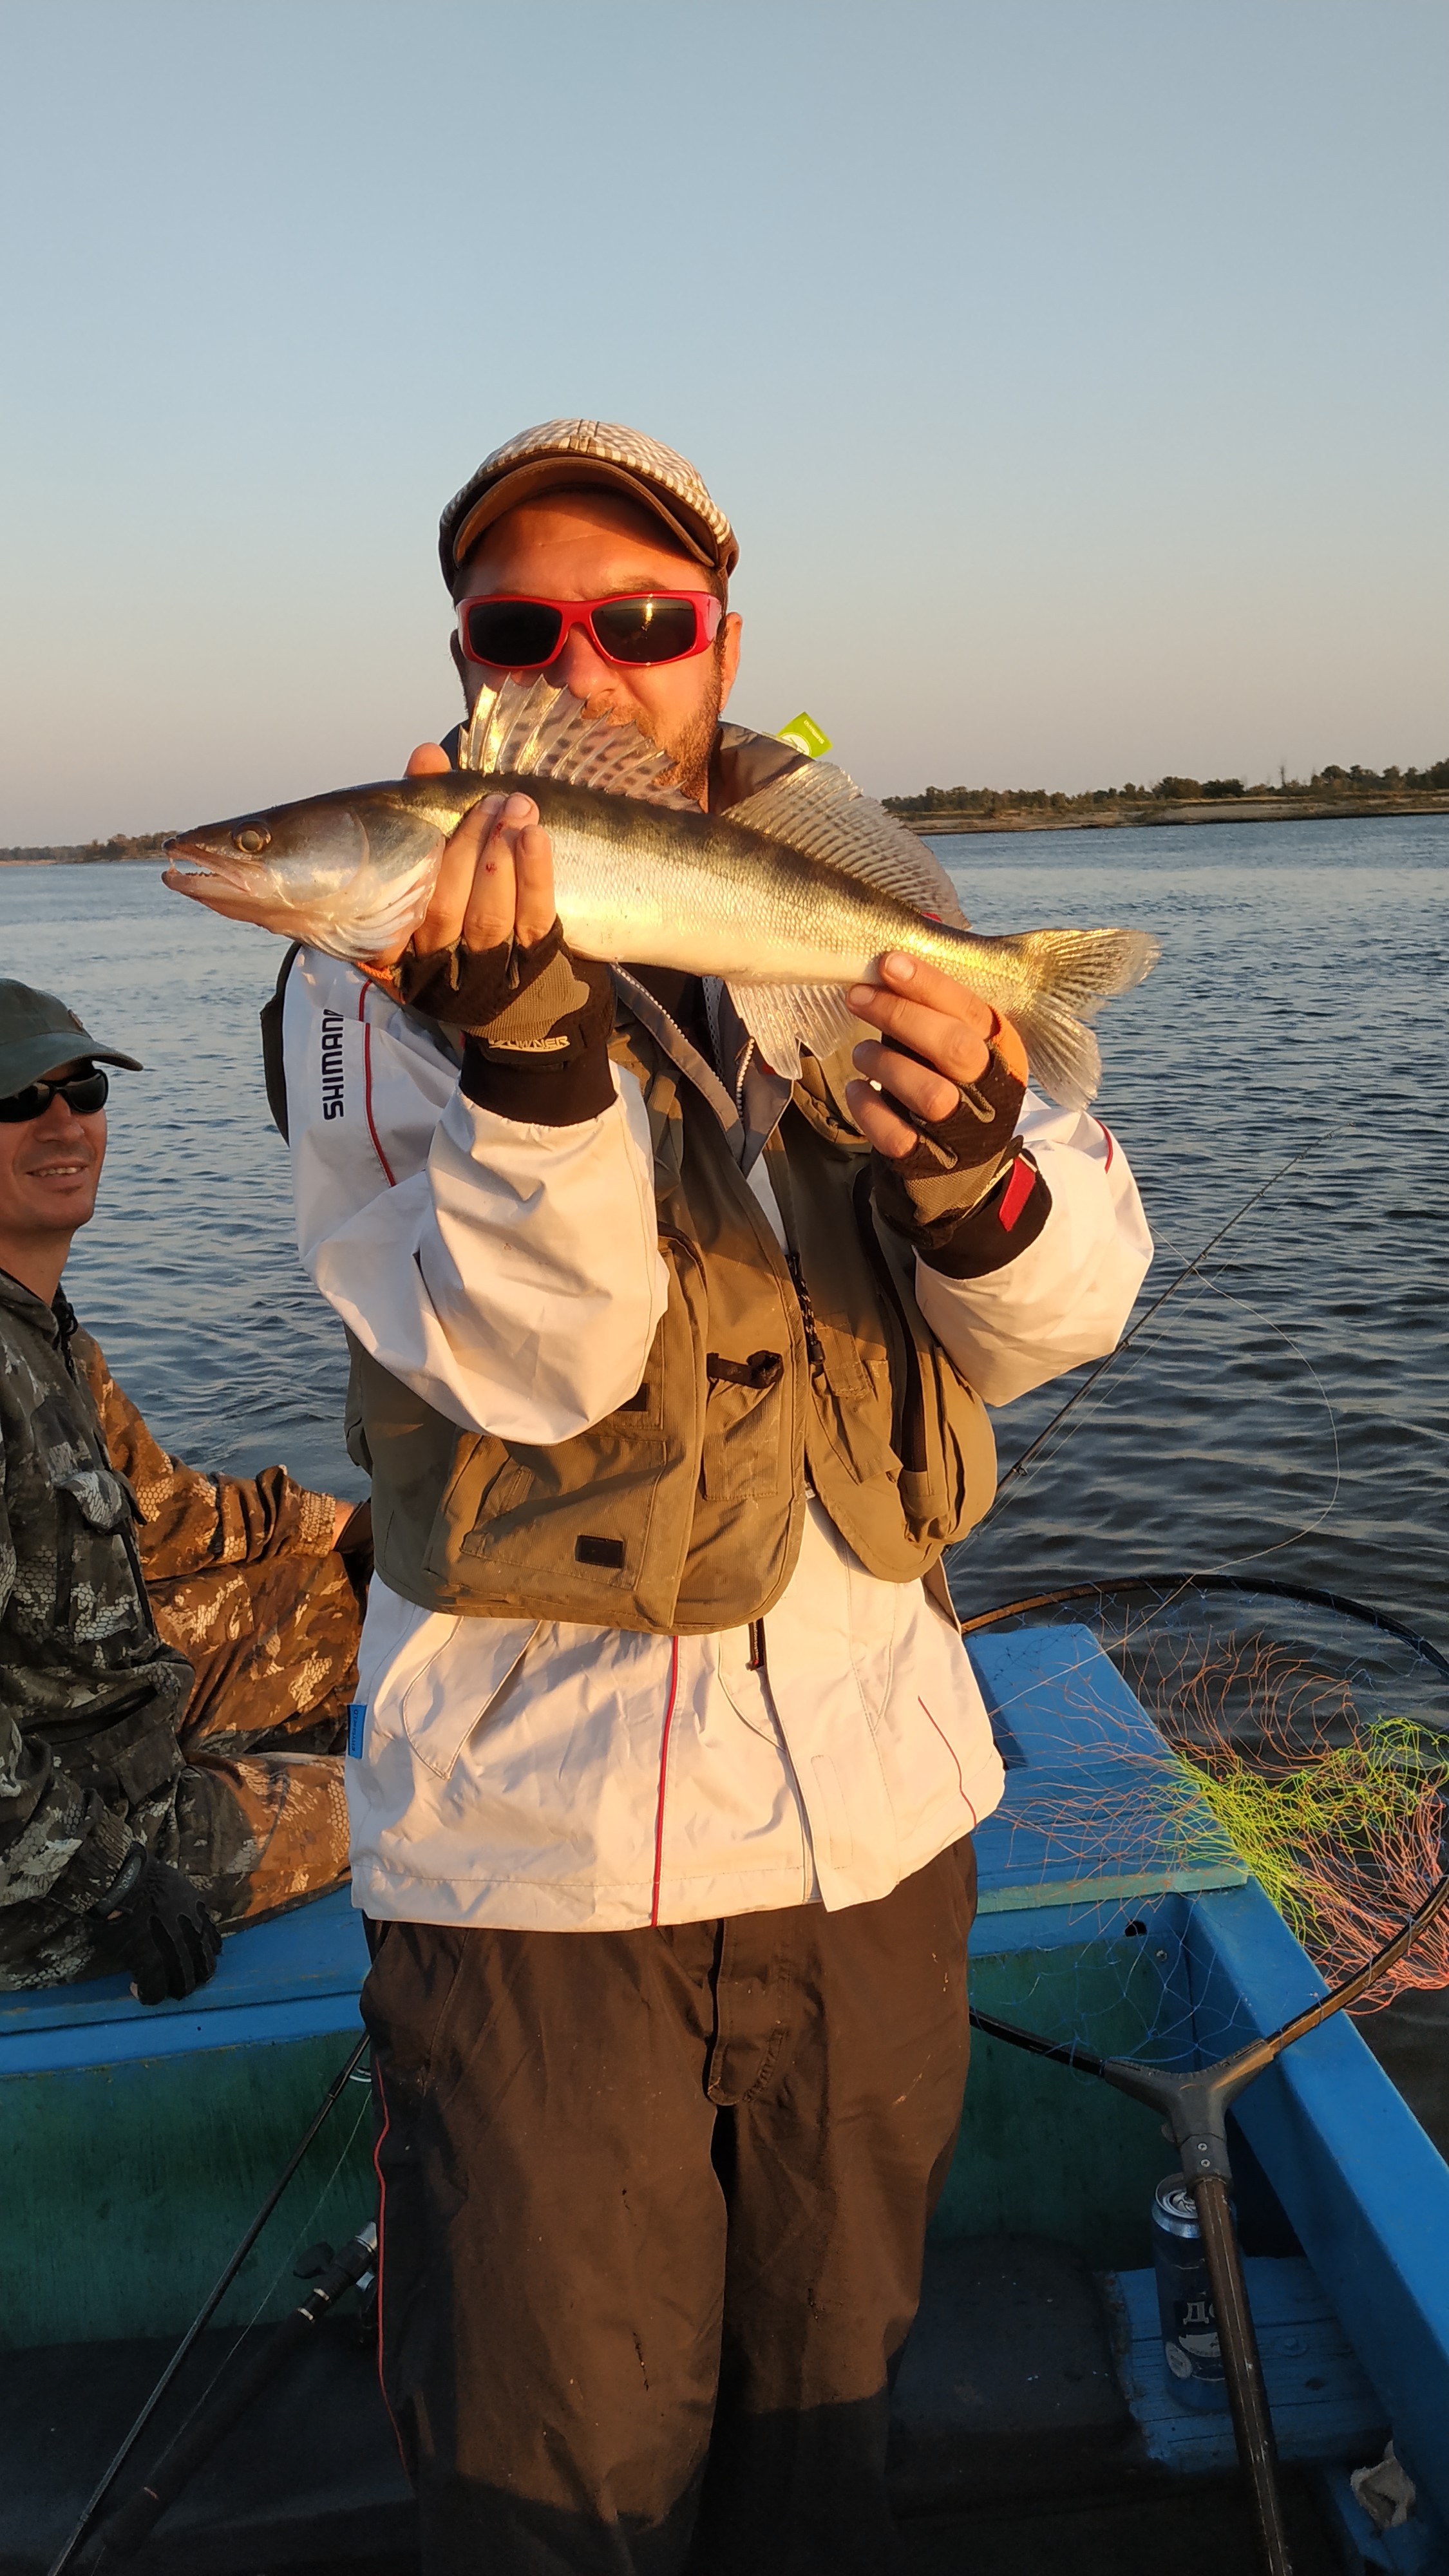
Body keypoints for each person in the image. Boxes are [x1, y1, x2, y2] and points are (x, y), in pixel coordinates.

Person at [272, 420, 1154, 2573]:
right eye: (521, 626)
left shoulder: (872, 909)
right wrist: (530, 1069)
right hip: (540, 1879)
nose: (586, 659)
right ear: (468, 660)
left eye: (645, 618)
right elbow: (534, 1371)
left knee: (825, 2467)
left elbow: (1071, 1314)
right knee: (550, 2495)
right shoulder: (364, 992)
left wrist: (981, 1169)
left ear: (724, 644)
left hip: (875, 1846)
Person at [0, 977, 367, 2003]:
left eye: (81, 1090)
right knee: (417, 1794)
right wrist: (113, 1879)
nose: (63, 1123)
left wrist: (349, 1531)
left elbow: (166, 1518)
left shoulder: (44, 1334)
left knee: (340, 1599)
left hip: (105, 1736)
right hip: (49, 1871)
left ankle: (242, 1776)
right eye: (17, 1100)